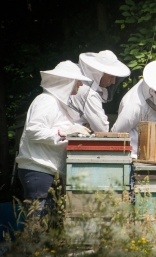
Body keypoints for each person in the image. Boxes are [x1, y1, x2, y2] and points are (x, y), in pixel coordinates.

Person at [16, 61, 92, 221]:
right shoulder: (46, 101)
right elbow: (33, 131)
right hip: (38, 170)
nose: (80, 84)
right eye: (76, 80)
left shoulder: (55, 103)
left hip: (47, 170)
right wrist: (64, 132)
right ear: (66, 82)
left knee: (48, 227)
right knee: (37, 226)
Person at [70, 50, 131, 132]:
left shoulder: (79, 83)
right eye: (111, 77)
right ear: (98, 73)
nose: (113, 82)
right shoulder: (88, 94)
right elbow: (102, 129)